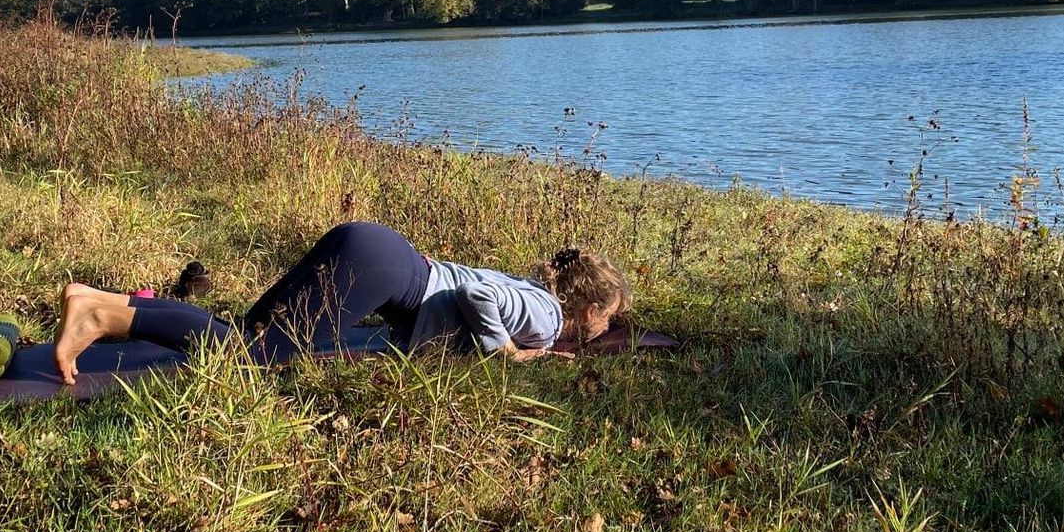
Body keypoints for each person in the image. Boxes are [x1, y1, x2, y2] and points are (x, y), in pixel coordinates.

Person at [52, 220, 631, 383]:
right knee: (245, 357)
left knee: (252, 334)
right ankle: (102, 316)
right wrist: (505, 351)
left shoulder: (537, 294)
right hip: (384, 269)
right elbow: (479, 296)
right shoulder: (549, 315)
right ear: (587, 308)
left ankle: (95, 297)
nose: (606, 328)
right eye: (608, 317)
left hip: (376, 249)